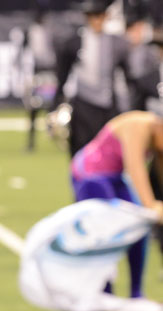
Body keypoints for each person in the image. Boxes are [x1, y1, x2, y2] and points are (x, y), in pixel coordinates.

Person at [70, 111, 163, 299]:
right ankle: (104, 292)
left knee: (139, 227)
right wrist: (151, 205)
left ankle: (136, 293)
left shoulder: (157, 141)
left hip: (115, 178)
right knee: (104, 230)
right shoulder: (139, 124)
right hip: (90, 175)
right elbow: (134, 167)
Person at [52, 0, 131, 157]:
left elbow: (127, 77)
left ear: (106, 16)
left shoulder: (117, 44)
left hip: (108, 104)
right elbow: (63, 76)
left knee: (109, 154)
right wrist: (56, 104)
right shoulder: (74, 43)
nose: (97, 20)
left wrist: (127, 106)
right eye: (93, 16)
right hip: (83, 105)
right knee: (81, 152)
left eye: (100, 15)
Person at [20, 0, 57, 152]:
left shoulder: (50, 30)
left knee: (52, 107)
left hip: (50, 72)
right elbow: (24, 54)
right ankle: (31, 141)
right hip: (37, 73)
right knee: (34, 109)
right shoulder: (31, 30)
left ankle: (56, 136)